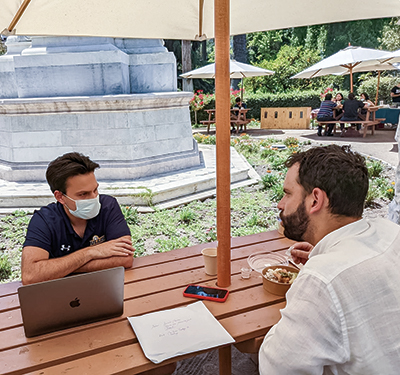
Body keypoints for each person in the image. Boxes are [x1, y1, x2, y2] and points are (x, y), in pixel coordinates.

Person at [259, 145, 400, 374]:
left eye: (288, 193)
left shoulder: (321, 280)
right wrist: (322, 255)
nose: (280, 204)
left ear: (315, 200)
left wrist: (314, 275)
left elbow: (276, 367)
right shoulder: (391, 232)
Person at [21, 152, 134, 285]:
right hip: (58, 293)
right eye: (83, 194)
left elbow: (125, 259)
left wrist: (62, 268)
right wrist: (91, 252)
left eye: (95, 190)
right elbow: (30, 275)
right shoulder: (44, 220)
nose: (93, 198)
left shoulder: (108, 206)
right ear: (60, 197)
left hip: (104, 286)